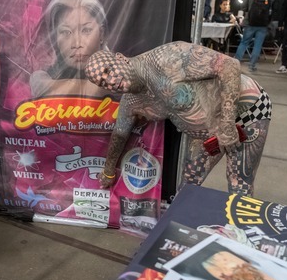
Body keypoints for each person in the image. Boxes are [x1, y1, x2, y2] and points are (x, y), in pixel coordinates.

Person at [84, 42, 272, 196]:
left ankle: (240, 230)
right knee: (187, 187)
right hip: (208, 134)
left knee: (239, 184)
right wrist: (108, 171)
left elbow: (230, 65)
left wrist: (228, 123)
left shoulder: (166, 58)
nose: (110, 81)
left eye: (108, 71)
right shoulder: (131, 102)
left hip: (246, 110)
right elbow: (120, 135)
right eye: (103, 83)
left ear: (120, 58)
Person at [30, 0, 112, 98]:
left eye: (86, 30)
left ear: (101, 33)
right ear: (55, 38)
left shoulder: (122, 73)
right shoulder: (42, 77)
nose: (77, 44)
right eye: (66, 32)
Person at [234, 0, 280, 72]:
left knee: (244, 43)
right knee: (258, 45)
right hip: (264, 24)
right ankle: (252, 66)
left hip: (250, 22)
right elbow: (276, 9)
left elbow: (244, 7)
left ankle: (235, 64)